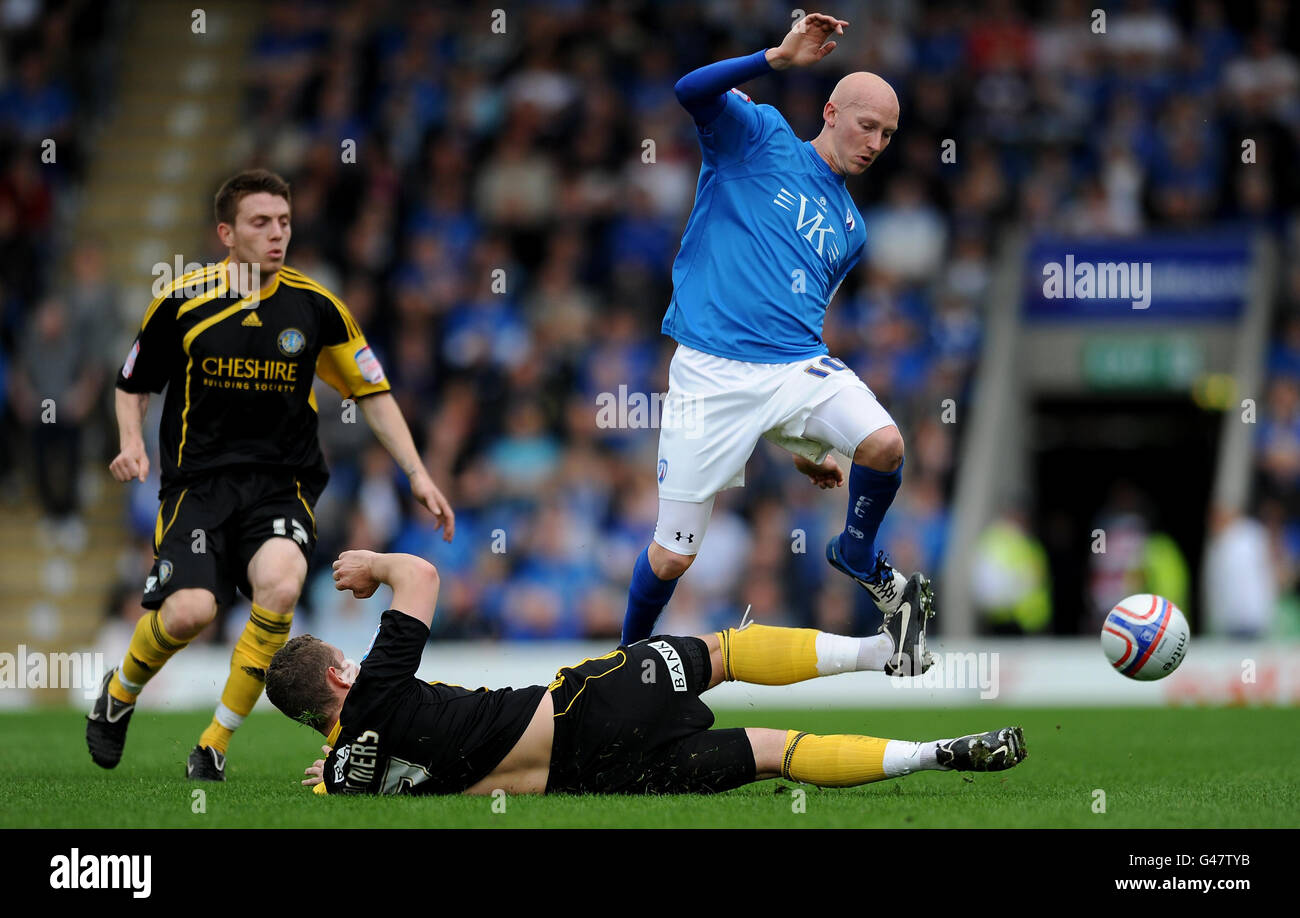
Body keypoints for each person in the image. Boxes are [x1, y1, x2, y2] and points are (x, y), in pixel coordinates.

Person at [86, 169, 456, 780]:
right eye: (261, 222)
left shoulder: (316, 307)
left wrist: (417, 473)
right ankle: (120, 691)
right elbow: (132, 384)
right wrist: (131, 442)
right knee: (189, 613)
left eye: (284, 221)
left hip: (281, 484)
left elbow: (373, 391)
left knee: (281, 585)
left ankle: (213, 745)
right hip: (198, 487)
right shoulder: (182, 302)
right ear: (226, 232)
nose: (277, 233)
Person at [620, 12, 933, 663]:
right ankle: (624, 664)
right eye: (866, 125)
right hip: (707, 372)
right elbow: (689, 91)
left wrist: (803, 432)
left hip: (793, 366)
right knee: (672, 556)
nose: (875, 142)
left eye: (888, 134)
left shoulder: (851, 228)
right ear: (830, 111)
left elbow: (793, 315)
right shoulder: (758, 136)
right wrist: (775, 58)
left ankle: (855, 550)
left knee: (883, 444)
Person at [266, 550, 1026, 797]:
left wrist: (335, 761)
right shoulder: (375, 691)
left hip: (593, 775)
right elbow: (423, 576)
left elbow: (350, 758)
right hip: (578, 709)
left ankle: (934, 755)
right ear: (340, 680)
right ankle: (881, 653)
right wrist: (373, 566)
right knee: (724, 653)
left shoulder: (345, 776)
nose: (358, 664)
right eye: (347, 662)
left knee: (770, 751)